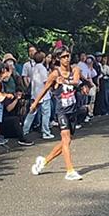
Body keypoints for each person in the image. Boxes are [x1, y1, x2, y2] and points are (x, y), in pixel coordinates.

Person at [30, 48, 83, 180]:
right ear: (59, 59)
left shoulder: (75, 69)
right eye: (63, 57)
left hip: (72, 110)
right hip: (61, 111)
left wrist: (66, 81)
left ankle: (44, 162)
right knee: (65, 139)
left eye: (68, 56)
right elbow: (45, 88)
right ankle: (70, 170)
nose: (66, 59)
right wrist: (35, 103)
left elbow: (76, 81)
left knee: (67, 141)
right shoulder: (55, 74)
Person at [22, 52, 54, 139]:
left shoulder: (34, 68)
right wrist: (50, 87)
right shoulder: (42, 68)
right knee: (46, 114)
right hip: (43, 94)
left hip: (35, 93)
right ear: (43, 59)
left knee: (31, 112)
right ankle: (46, 132)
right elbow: (45, 81)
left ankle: (25, 130)